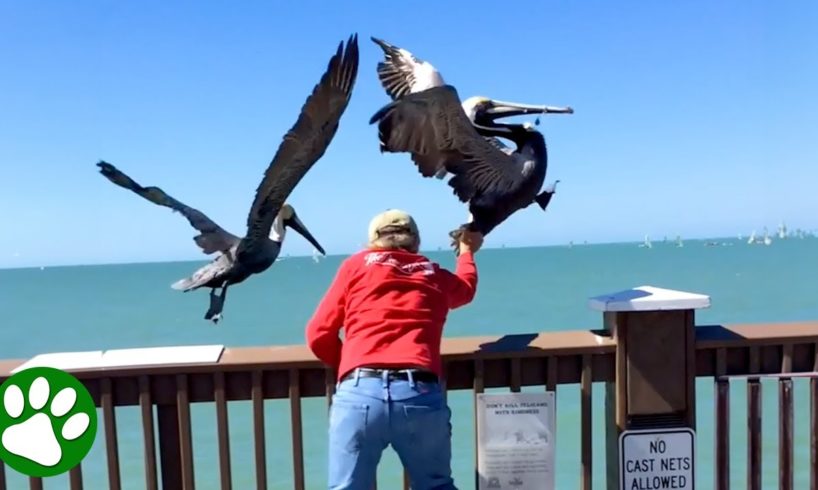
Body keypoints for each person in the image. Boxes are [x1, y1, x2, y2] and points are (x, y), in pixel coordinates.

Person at [305, 209, 483, 490]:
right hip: (418, 393)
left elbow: (318, 333)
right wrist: (466, 252)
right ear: (416, 241)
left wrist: (351, 366)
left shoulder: (355, 266)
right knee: (436, 486)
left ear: (373, 241)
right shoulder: (432, 273)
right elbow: (465, 289)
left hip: (359, 393)